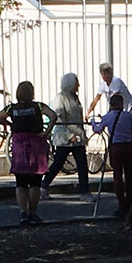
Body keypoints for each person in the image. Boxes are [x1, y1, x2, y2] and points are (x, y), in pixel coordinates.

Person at [0, 81, 57, 224]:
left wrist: (9, 125)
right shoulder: (38, 106)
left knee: (20, 182)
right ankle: (33, 213)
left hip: (19, 144)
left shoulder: (12, 108)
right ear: (32, 93)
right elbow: (53, 115)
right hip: (37, 143)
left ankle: (22, 212)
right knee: (35, 182)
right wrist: (47, 132)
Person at [42, 73, 93, 201]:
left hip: (77, 138)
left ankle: (84, 191)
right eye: (76, 83)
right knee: (58, 163)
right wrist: (70, 135)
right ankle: (44, 186)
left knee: (82, 164)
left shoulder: (74, 97)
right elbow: (59, 118)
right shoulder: (61, 98)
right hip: (65, 138)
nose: (79, 86)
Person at [91, 94, 132, 217]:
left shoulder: (108, 117)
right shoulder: (128, 116)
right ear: (121, 103)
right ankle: (130, 202)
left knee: (118, 177)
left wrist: (93, 122)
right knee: (130, 176)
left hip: (116, 147)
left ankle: (121, 205)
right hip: (128, 146)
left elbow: (98, 129)